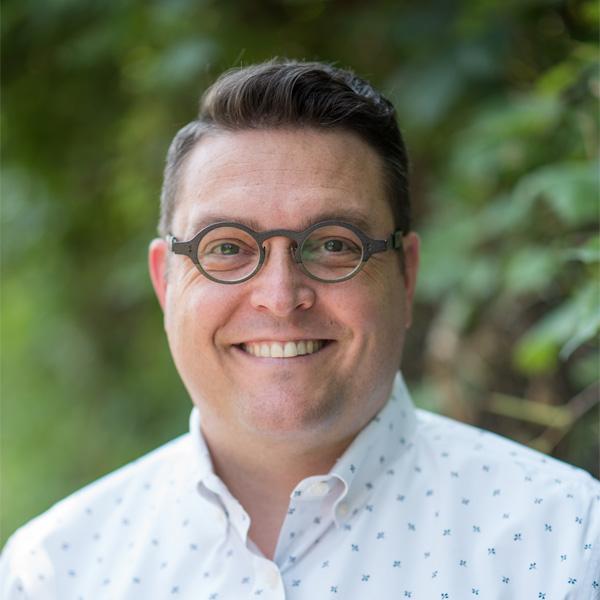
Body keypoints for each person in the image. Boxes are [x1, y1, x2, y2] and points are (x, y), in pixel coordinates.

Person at [1, 59, 598, 600]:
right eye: (228, 247)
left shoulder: (570, 546)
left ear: (406, 275)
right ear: (166, 284)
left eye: (335, 245)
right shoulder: (56, 571)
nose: (281, 297)